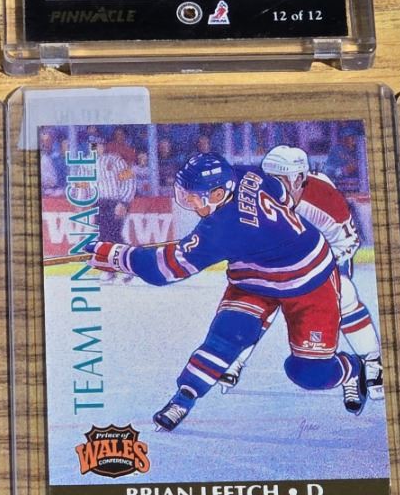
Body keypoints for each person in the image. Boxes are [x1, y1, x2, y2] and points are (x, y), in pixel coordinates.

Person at [88, 152, 363, 432]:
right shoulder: (244, 174)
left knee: (309, 373)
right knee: (227, 335)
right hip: (253, 276)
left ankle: (351, 368)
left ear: (219, 194)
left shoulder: (222, 229)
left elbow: (163, 270)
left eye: (194, 196)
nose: (189, 202)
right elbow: (280, 192)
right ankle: (184, 398)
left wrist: (114, 255)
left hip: (309, 280)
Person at [216, 147, 383, 409]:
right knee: (257, 296)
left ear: (299, 179)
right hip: (277, 256)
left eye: (283, 181)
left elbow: (348, 242)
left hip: (324, 256)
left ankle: (372, 362)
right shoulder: (249, 196)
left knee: (345, 295)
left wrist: (311, 271)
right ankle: (235, 358)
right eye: (270, 179)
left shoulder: (324, 199)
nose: (275, 189)